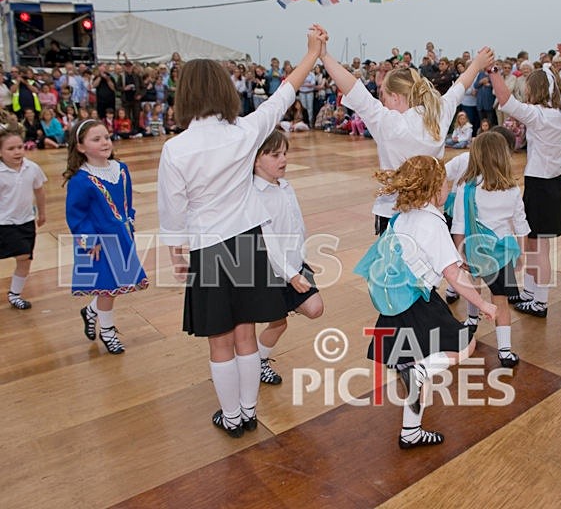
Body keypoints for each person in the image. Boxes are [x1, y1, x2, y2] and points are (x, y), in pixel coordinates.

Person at [157, 25, 327, 438]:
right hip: (249, 244)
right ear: (223, 91)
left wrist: (177, 254)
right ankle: (250, 411)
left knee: (220, 341)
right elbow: (285, 93)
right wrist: (312, 52)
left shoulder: (175, 149)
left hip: (209, 250)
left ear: (185, 96)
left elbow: (173, 211)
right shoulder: (246, 131)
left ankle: (231, 417)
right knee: (246, 332)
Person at [354, 155, 497, 449]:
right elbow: (453, 275)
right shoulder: (433, 222)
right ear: (435, 188)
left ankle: (411, 431)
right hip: (420, 303)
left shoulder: (402, 217)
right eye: (445, 182)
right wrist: (483, 305)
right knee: (464, 345)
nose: (448, 186)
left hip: (397, 304)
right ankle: (418, 374)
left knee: (417, 373)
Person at [320, 36, 494, 235]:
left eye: (383, 96)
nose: (382, 102)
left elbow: (353, 87)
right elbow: (461, 85)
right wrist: (478, 63)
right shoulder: (438, 114)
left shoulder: (388, 122)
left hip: (393, 214)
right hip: (430, 214)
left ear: (395, 97)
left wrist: (323, 55)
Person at [489, 52, 561, 318]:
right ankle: (530, 294)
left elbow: (505, 100)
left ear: (536, 90)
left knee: (538, 249)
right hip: (557, 183)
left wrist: (493, 70)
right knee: (534, 244)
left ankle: (539, 302)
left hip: (540, 186)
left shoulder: (537, 115)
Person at [64, 119, 149, 354]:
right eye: (96, 139)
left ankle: (91, 311)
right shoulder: (81, 180)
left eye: (107, 137)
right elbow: (76, 216)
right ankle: (108, 331)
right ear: (81, 147)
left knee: (115, 286)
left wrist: (129, 220)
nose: (105, 142)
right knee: (106, 289)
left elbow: (126, 201)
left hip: (120, 236)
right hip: (98, 243)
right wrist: (89, 240)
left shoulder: (120, 170)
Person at [451, 132, 529, 366]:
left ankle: (472, 320)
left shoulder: (466, 188)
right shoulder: (513, 190)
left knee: (473, 286)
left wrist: (458, 252)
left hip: (474, 249)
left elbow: (459, 223)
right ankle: (505, 351)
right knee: (501, 300)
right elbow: (521, 225)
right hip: (503, 253)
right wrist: (522, 256)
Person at [253, 129, 324, 385]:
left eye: (285, 153)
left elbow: (296, 225)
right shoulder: (254, 194)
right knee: (278, 323)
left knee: (315, 308)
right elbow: (268, 242)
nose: (283, 159)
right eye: (274, 155)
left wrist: (302, 257)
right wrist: (291, 275)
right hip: (272, 271)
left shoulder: (285, 186)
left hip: (295, 264)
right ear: (256, 159)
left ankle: (254, 357)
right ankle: (257, 361)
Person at [0, 131, 47, 310]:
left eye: (19, 147)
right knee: (21, 254)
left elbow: (39, 191)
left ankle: (14, 294)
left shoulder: (32, 168)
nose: (17, 152)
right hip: (4, 223)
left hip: (26, 221)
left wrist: (42, 213)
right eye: (10, 149)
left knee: (25, 259)